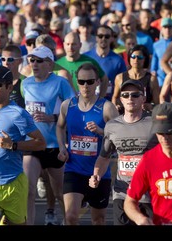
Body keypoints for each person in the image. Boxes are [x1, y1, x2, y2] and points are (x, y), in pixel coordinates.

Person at [0, 65, 46, 225]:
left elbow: (41, 143)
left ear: (9, 87)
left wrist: (13, 145)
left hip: (12, 184)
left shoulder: (18, 114)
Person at [56, 63, 119, 225]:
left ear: (98, 82)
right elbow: (60, 127)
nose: (86, 86)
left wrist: (100, 131)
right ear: (77, 82)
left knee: (98, 219)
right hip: (73, 169)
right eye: (82, 81)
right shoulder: (67, 106)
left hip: (99, 172)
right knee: (70, 217)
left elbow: (119, 136)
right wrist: (62, 146)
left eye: (90, 81)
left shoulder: (107, 107)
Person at [89, 79, 158, 225]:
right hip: (122, 193)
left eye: (135, 95)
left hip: (149, 193)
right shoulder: (112, 126)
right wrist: (96, 175)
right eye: (125, 95)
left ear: (143, 98)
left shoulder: (154, 123)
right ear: (120, 99)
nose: (130, 98)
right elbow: (104, 156)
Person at [123, 102, 172, 225]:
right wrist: (140, 218)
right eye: (160, 132)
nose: (164, 137)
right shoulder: (148, 160)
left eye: (169, 131)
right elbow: (130, 201)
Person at [21, 46, 75, 225]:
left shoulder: (60, 83)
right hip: (33, 144)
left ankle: (68, 221)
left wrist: (51, 117)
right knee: (28, 190)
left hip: (53, 145)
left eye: (39, 60)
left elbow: (73, 110)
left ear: (49, 63)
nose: (34, 64)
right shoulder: (25, 83)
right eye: (32, 60)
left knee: (60, 193)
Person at [112, 44, 160, 113]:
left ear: (145, 59)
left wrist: (150, 106)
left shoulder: (152, 79)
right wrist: (115, 106)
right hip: (124, 116)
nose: (136, 59)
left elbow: (157, 104)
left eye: (139, 57)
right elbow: (115, 97)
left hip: (145, 117)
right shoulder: (120, 77)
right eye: (133, 57)